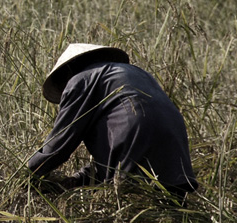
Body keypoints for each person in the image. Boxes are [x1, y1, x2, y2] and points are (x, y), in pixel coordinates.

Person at [26, 43, 199, 203]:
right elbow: (110, 157)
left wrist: (28, 174)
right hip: (175, 143)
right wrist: (75, 181)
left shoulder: (80, 80)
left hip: (136, 134)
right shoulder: (138, 74)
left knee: (132, 213)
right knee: (171, 214)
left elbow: (59, 143)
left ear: (69, 70)